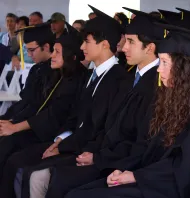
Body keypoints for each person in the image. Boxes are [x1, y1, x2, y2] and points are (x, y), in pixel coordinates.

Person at [65, 22, 190, 198]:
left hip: (171, 188)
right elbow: (149, 148)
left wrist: (135, 175)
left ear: (186, 69)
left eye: (165, 62)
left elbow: (186, 167)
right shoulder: (175, 99)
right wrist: (125, 170)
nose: (159, 70)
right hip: (150, 178)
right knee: (80, 191)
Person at [23, 6, 165, 198]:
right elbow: (109, 127)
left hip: (121, 162)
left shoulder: (147, 85)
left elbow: (135, 138)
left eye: (130, 42)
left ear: (150, 47)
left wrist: (98, 157)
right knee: (35, 170)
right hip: (104, 152)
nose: (123, 48)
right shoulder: (131, 79)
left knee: (58, 181)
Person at [2, 7, 129, 198]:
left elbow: (102, 127)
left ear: (104, 45)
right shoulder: (92, 75)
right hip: (73, 142)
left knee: (36, 173)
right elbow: (76, 117)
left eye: (86, 42)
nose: (82, 47)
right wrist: (61, 140)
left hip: (91, 151)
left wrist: (63, 146)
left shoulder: (118, 79)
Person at [0, 22, 88, 197]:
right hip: (43, 129)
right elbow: (32, 104)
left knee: (12, 155)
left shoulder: (74, 79)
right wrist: (9, 121)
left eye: (56, 52)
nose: (52, 57)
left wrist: (15, 126)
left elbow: (52, 114)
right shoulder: (59, 73)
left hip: (55, 135)